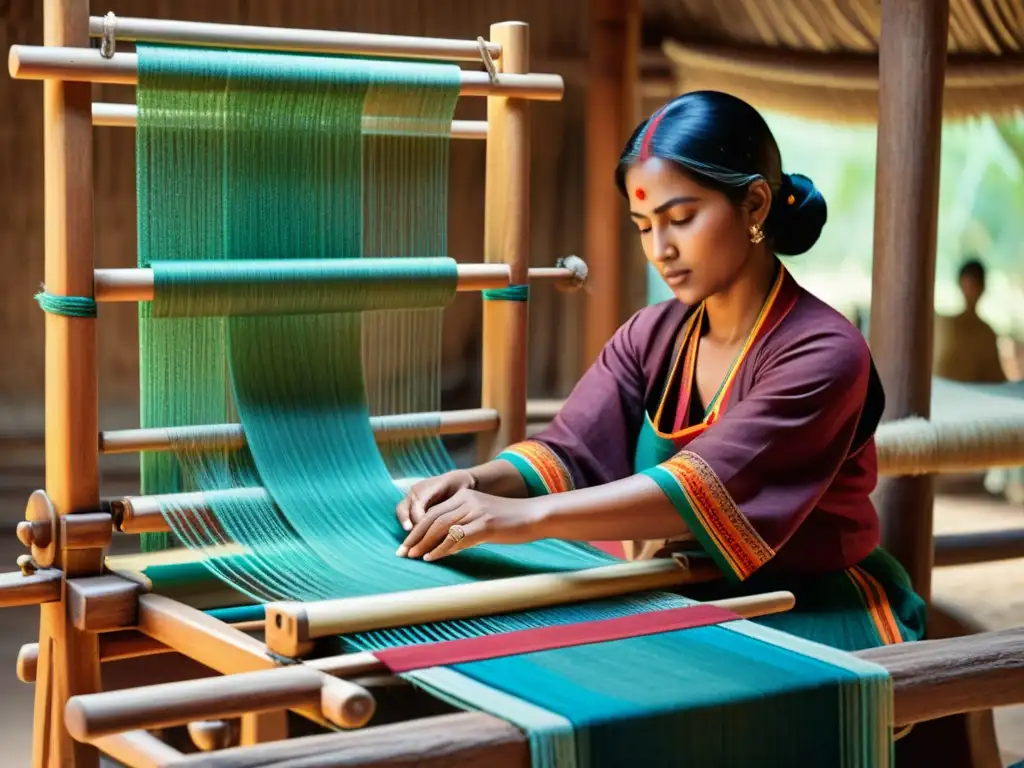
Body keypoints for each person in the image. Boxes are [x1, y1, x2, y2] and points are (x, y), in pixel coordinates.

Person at [393, 90, 926, 654]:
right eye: (644, 225)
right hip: (679, 589)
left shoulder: (825, 352)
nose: (660, 249)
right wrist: (478, 481)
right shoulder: (652, 334)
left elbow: (702, 489)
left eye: (681, 218)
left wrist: (520, 517)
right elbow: (572, 450)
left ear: (757, 205)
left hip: (812, 606)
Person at [933, 258, 1006, 384]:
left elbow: (995, 378)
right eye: (968, 285)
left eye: (974, 286)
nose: (971, 291)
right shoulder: (943, 325)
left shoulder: (986, 334)